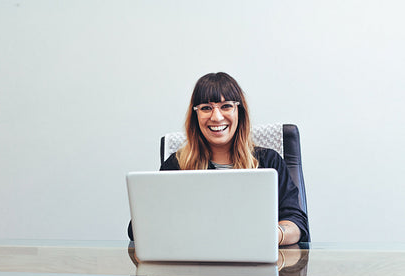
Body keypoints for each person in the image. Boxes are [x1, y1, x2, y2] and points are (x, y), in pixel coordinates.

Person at [128, 72, 309, 244]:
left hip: (255, 269)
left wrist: (272, 236)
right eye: (206, 108)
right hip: (192, 269)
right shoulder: (177, 165)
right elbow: (137, 228)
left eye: (226, 106)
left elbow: (297, 223)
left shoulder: (269, 161)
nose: (216, 117)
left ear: (240, 111)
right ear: (195, 116)